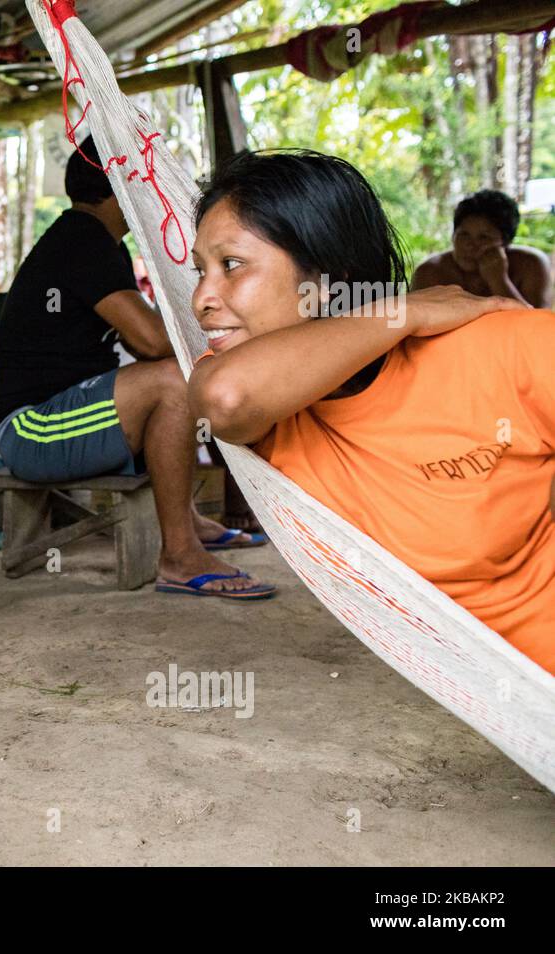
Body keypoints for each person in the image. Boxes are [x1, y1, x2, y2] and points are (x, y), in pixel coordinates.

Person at [188, 149, 553, 674]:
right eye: (200, 270)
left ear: (324, 280)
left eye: (232, 265)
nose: (201, 296)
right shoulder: (245, 378)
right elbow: (226, 399)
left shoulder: (502, 348)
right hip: (492, 679)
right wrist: (410, 310)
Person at [0, 136, 274, 599]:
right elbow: (152, 340)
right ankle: (179, 557)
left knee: (176, 380)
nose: (146, 188)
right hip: (31, 432)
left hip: (64, 413)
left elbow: (143, 347)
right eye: (137, 178)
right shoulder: (81, 240)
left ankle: (189, 525)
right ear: (116, 185)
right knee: (178, 382)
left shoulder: (98, 242)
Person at [412, 188, 552, 308]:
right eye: (464, 234)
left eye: (484, 237)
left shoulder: (530, 265)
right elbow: (409, 329)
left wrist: (499, 281)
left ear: (505, 243)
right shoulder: (430, 272)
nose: (470, 245)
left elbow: (538, 329)